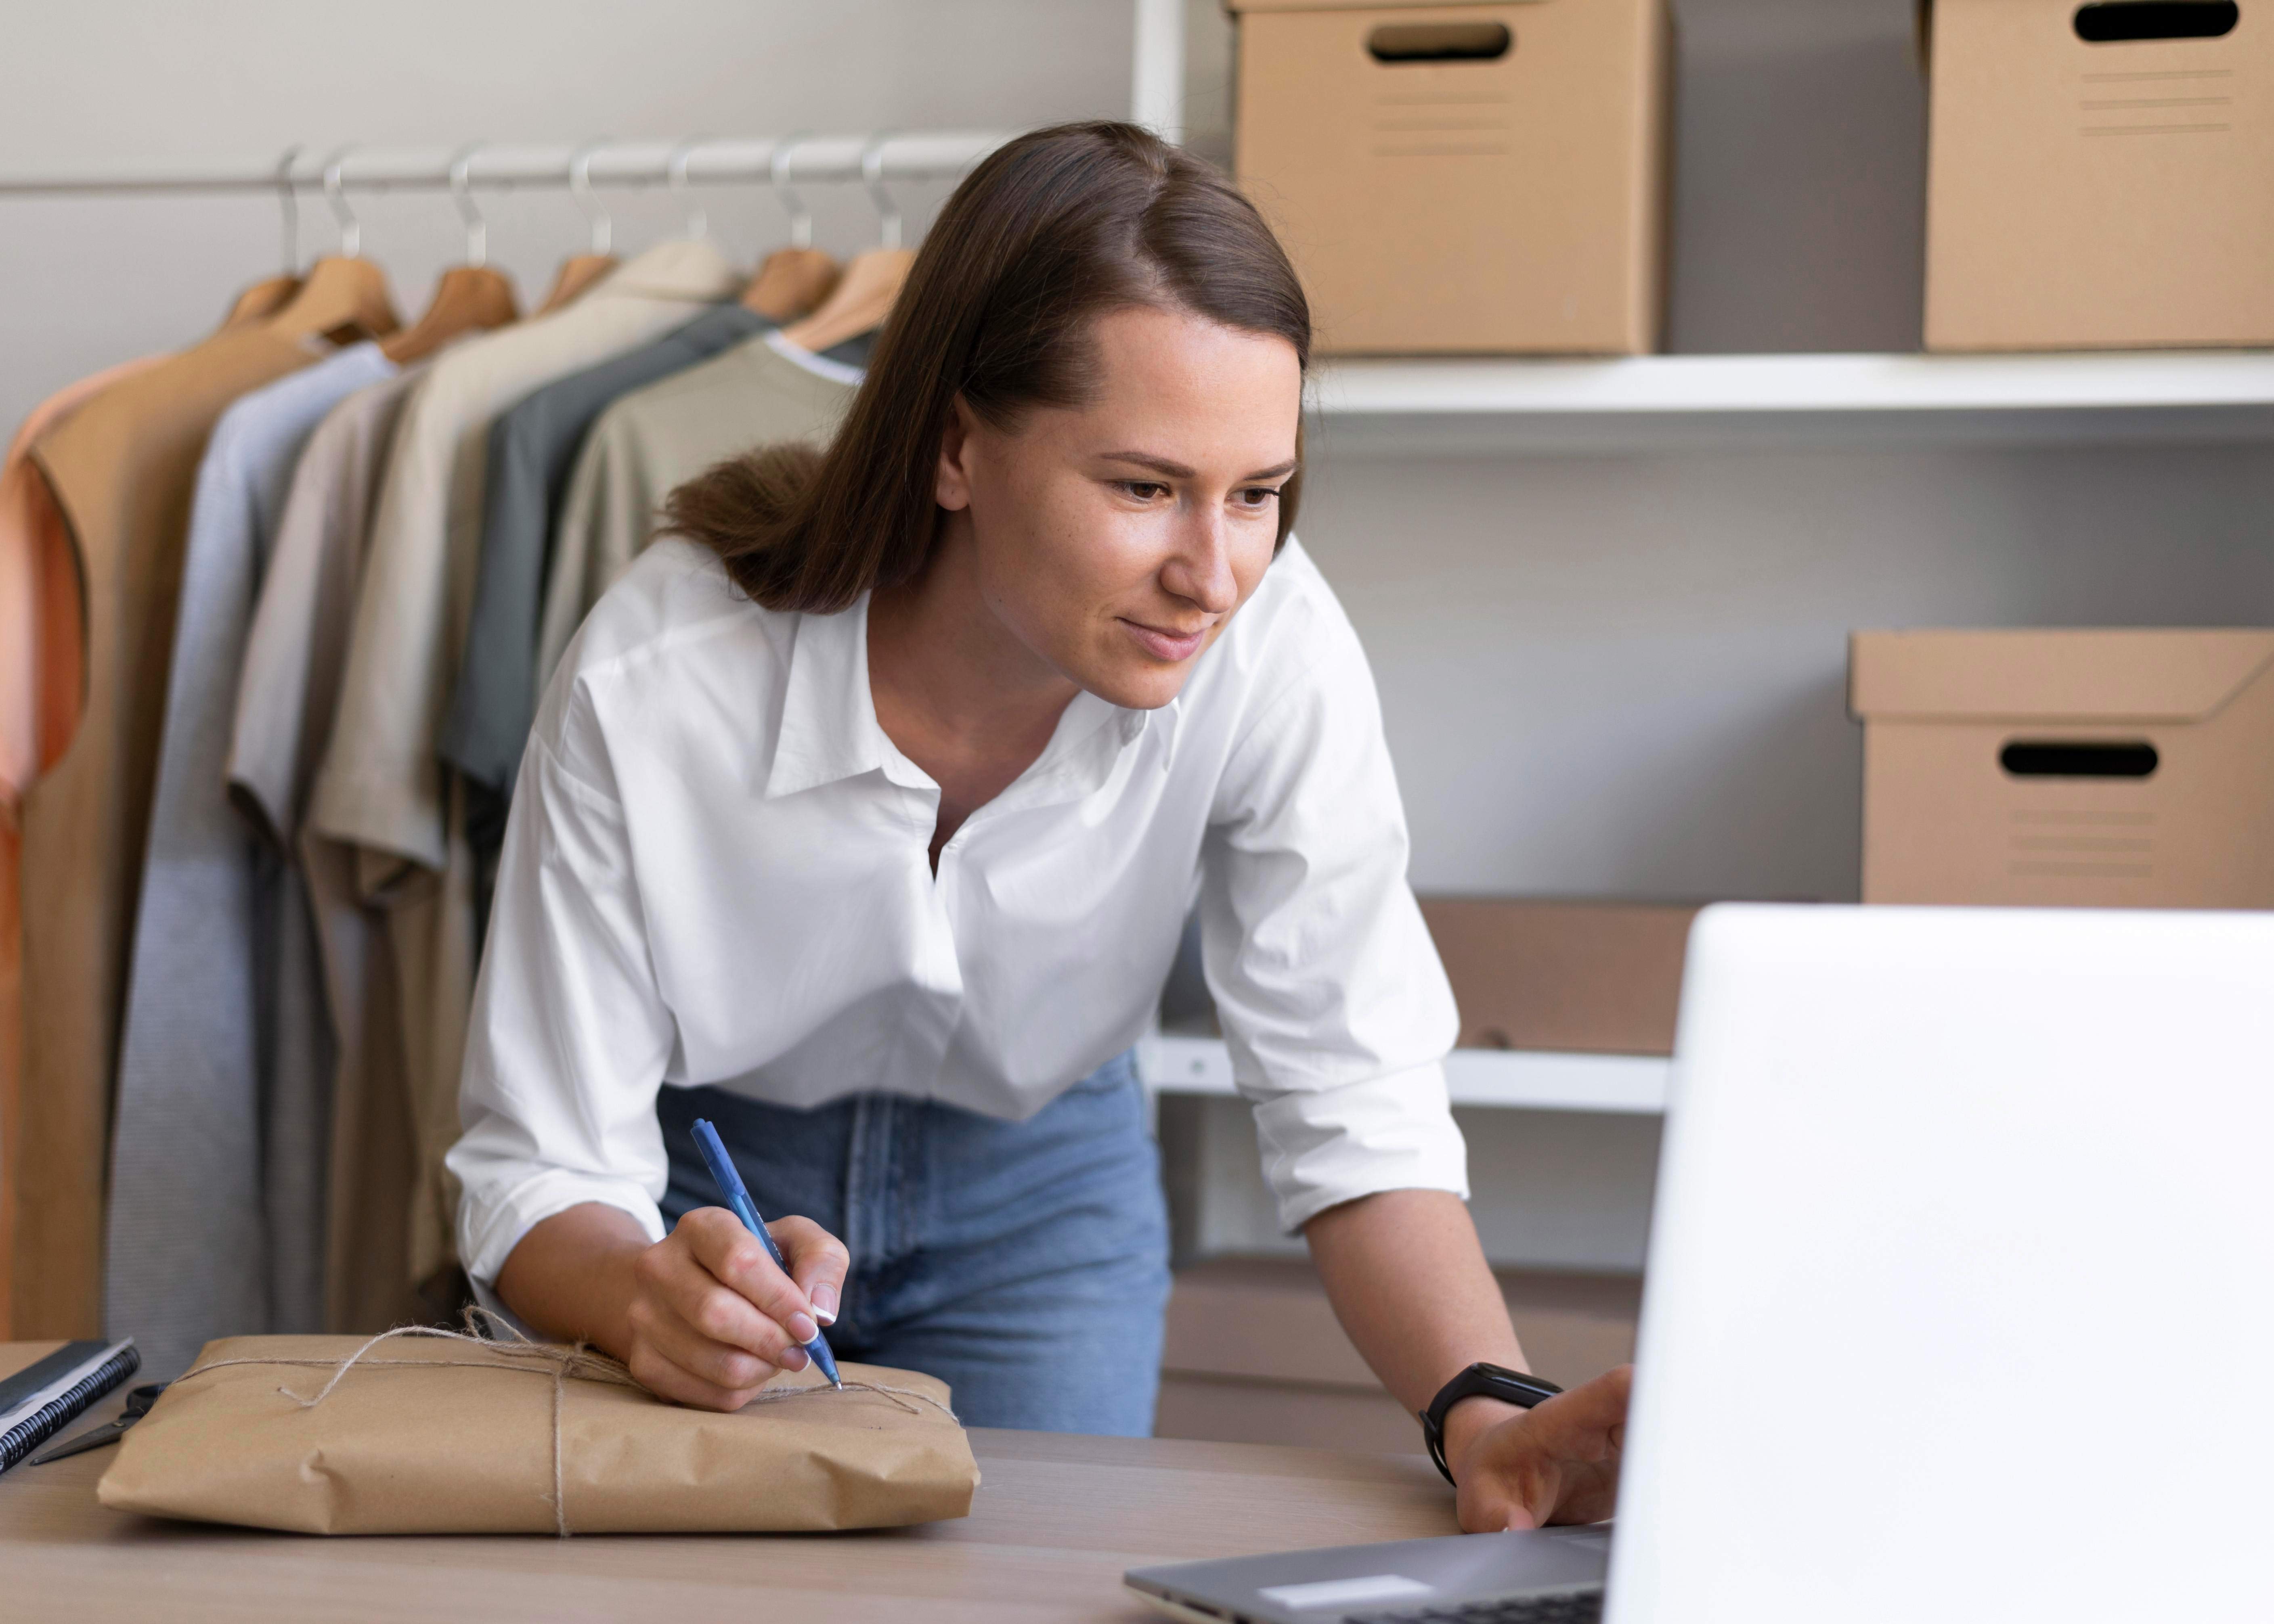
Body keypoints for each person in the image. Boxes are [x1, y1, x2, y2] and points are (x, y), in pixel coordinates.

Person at [447, 121, 1628, 1534]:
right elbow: (539, 1164)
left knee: (1031, 1583)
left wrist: (1483, 1410)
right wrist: (648, 1290)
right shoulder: (659, 677)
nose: (1212, 575)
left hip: (1042, 1192)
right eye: (1142, 488)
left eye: (1256, 493)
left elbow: (1352, 1089)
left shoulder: (1272, 645)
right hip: (707, 1179)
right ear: (956, 449)